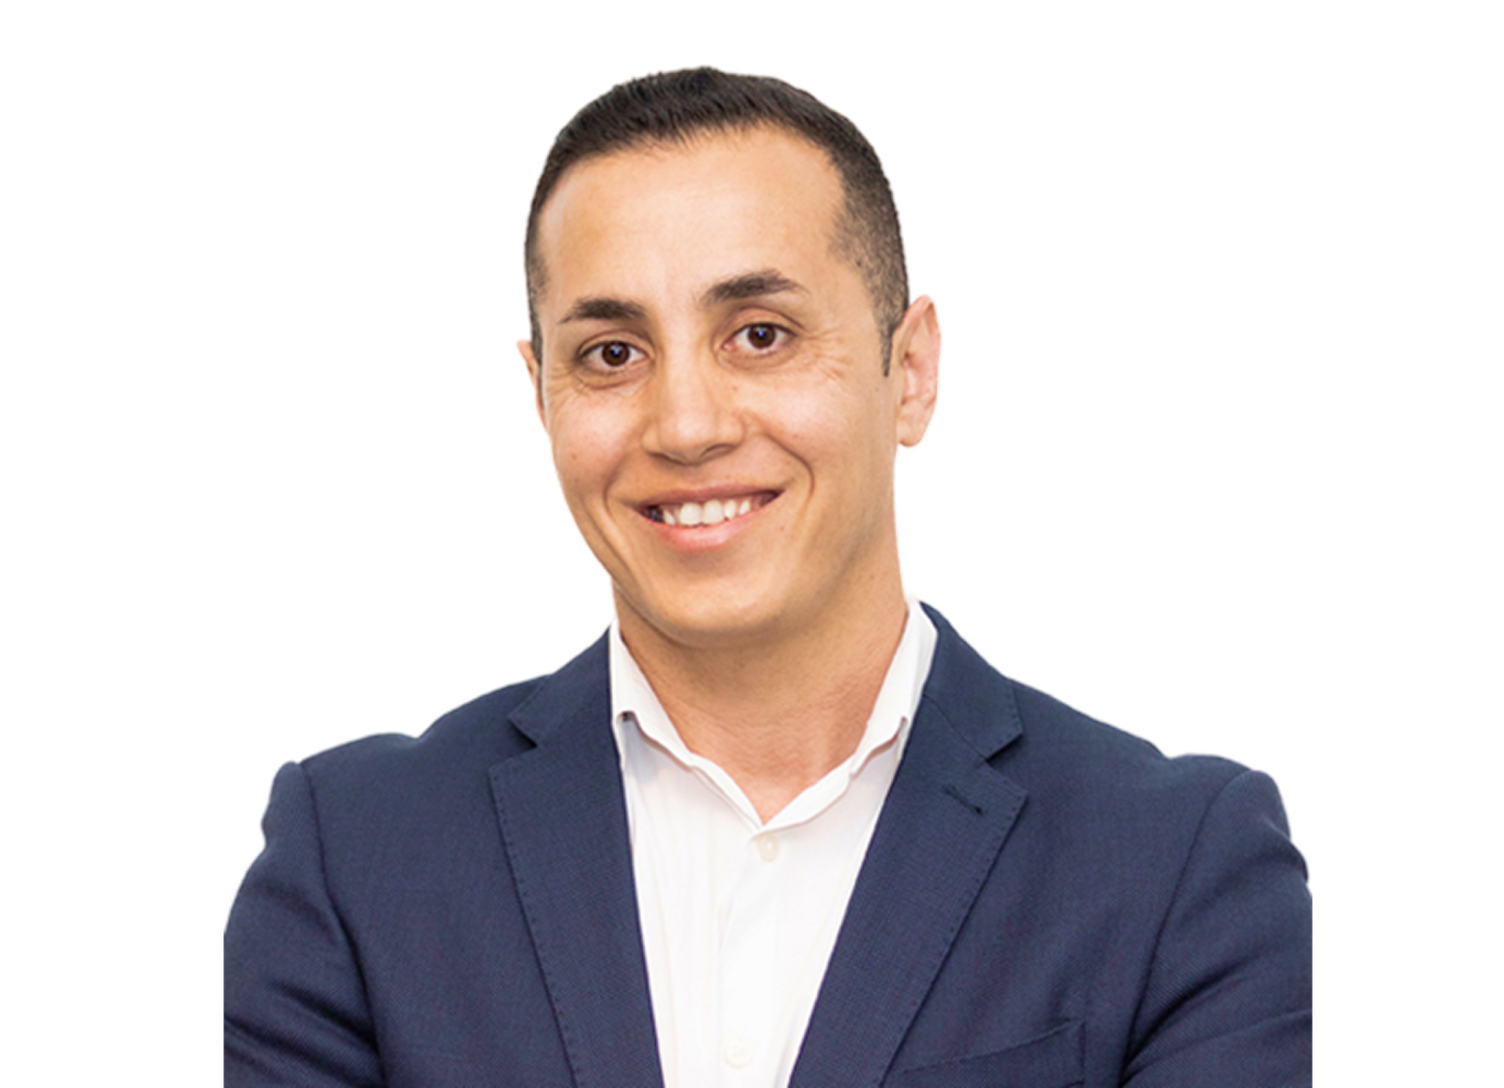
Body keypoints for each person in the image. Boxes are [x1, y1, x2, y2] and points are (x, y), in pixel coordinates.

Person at [223, 64, 1313, 1087]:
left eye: (759, 333)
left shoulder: (1177, 861)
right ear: (539, 403)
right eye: (612, 353)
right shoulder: (355, 853)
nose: (686, 424)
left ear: (911, 374)